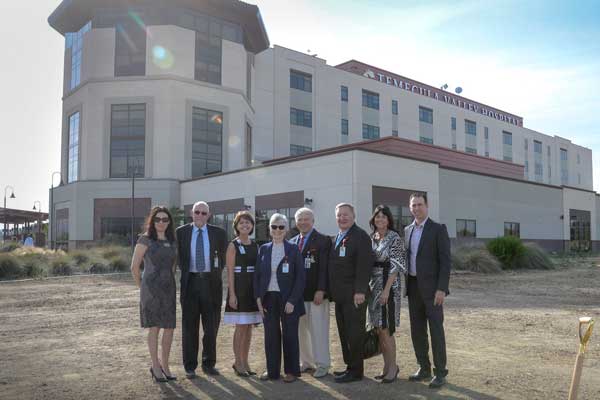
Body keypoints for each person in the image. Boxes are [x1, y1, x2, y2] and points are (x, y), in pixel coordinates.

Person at [176, 201, 228, 378]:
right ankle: (190, 366)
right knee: (190, 328)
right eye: (197, 212)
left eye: (203, 213)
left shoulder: (219, 233)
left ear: (209, 215)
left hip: (211, 285)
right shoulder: (181, 232)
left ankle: (209, 363)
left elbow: (223, 258)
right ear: (191, 213)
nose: (200, 215)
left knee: (211, 327)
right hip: (190, 284)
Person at [404, 192, 451, 389]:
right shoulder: (407, 230)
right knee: (417, 330)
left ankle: (440, 372)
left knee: (436, 331)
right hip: (413, 287)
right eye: (413, 205)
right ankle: (423, 367)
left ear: (427, 206)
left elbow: (445, 262)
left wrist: (442, 289)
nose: (416, 208)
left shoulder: (438, 229)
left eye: (419, 205)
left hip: (433, 290)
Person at [254, 213, 305, 383]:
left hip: (288, 299)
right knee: (271, 335)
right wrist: (259, 299)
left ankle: (291, 371)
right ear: (269, 228)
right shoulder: (263, 249)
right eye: (274, 226)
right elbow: (257, 276)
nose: (277, 230)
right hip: (268, 298)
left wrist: (292, 301)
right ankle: (272, 371)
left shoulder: (293, 249)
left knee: (290, 335)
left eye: (281, 227)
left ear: (286, 229)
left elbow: (300, 278)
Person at [130, 206, 178, 383]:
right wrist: (141, 287)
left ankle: (165, 366)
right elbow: (134, 267)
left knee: (169, 328)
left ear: (169, 222)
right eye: (158, 219)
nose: (161, 222)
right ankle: (155, 366)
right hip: (150, 289)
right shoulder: (146, 239)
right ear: (152, 220)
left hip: (169, 288)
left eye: (165, 219)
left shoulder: (172, 240)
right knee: (155, 328)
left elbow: (173, 266)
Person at [329, 203, 374, 383]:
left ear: (354, 216)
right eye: (339, 215)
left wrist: (360, 291)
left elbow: (364, 265)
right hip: (340, 295)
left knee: (355, 333)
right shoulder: (338, 236)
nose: (342, 218)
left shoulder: (360, 236)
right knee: (345, 333)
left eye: (346, 215)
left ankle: (356, 371)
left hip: (355, 295)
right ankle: (350, 366)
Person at [368, 205, 406, 383]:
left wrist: (386, 291)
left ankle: (393, 368)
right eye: (377, 217)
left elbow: (396, 267)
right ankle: (386, 367)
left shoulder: (394, 238)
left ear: (389, 219)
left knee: (387, 329)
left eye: (384, 217)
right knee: (378, 329)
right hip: (373, 286)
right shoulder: (372, 238)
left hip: (389, 288)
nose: (380, 220)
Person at [291, 208, 331, 378]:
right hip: (297, 297)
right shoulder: (292, 242)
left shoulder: (323, 240)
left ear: (313, 221)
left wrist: (321, 290)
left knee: (319, 331)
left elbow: (324, 269)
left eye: (306, 219)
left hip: (316, 295)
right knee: (301, 332)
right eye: (300, 219)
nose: (303, 222)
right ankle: (306, 362)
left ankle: (322, 364)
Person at [224, 211, 261, 377]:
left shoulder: (255, 245)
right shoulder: (233, 245)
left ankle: (245, 361)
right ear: (236, 226)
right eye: (241, 223)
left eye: (248, 222)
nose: (245, 225)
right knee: (240, 326)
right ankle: (237, 362)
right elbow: (230, 272)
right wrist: (232, 294)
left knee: (249, 327)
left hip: (252, 290)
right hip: (239, 288)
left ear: (252, 225)